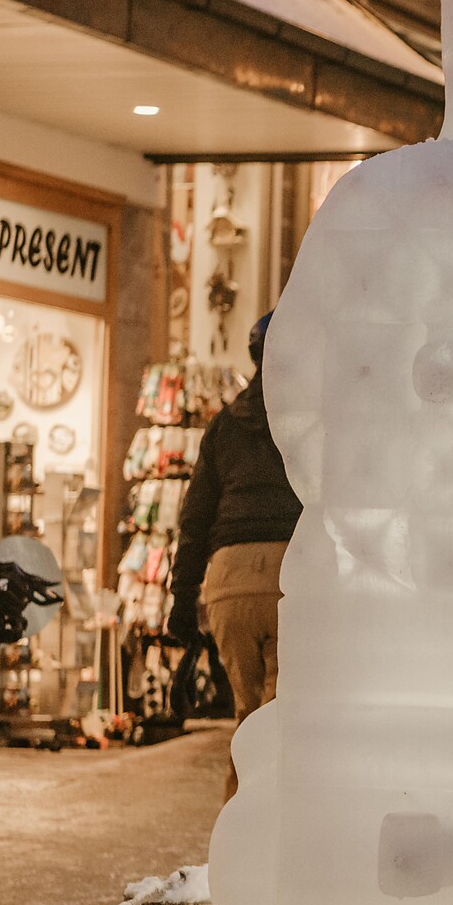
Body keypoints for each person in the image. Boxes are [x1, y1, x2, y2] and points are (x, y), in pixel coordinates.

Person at [167, 313, 301, 797]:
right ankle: (277, 840)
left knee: (248, 721)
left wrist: (182, 598)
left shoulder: (223, 426)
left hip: (228, 580)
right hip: (292, 575)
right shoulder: (310, 421)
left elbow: (194, 519)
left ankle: (236, 840)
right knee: (287, 720)